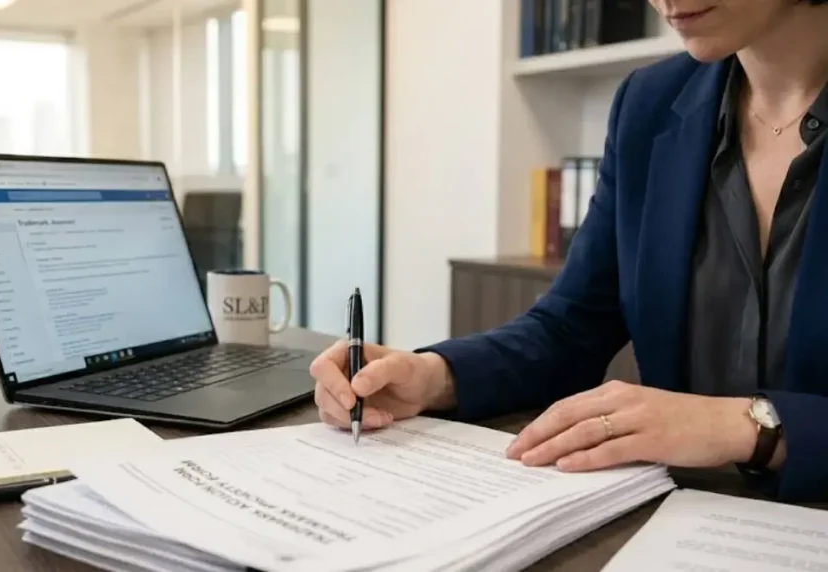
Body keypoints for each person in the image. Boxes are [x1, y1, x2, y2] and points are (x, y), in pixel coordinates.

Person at [310, 0, 828, 503]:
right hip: (683, 515)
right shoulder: (649, 105)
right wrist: (431, 377)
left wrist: (750, 426)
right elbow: (570, 328)